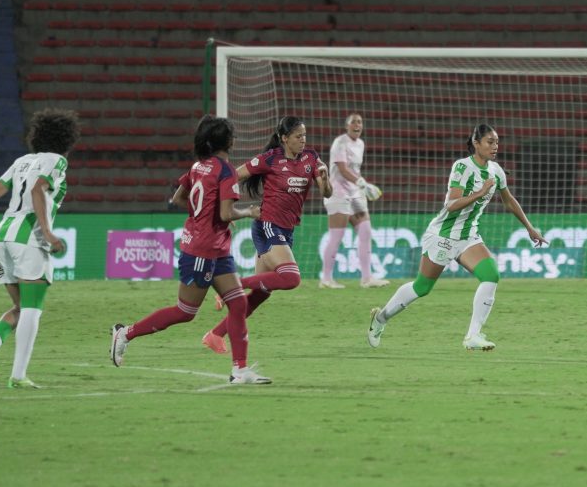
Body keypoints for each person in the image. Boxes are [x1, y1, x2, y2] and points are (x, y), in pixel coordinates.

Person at [109, 115, 269, 384]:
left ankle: (239, 370)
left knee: (239, 303)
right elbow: (227, 213)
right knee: (186, 312)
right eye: (232, 135)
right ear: (226, 140)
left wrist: (199, 217)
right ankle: (125, 333)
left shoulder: (198, 166)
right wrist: (251, 211)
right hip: (203, 250)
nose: (235, 139)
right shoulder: (226, 170)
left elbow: (178, 198)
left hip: (214, 248)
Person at [366, 123, 547, 352]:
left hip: (468, 236)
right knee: (422, 287)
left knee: (491, 275)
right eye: (490, 142)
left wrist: (529, 228)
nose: (495, 146)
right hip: (443, 235)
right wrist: (480, 193)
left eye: (497, 142)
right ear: (476, 143)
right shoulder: (462, 167)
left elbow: (509, 200)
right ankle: (380, 319)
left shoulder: (496, 171)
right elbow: (451, 205)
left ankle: (473, 335)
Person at [0, 108, 81, 388]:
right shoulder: (57, 161)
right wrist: (49, 233)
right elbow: (38, 190)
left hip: (1, 240)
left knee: (20, 306)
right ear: (67, 139)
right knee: (33, 308)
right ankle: (18, 376)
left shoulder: (22, 161)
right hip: (28, 241)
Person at [200, 115, 332, 355]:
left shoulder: (311, 158)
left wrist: (325, 179)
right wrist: (223, 210)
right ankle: (231, 286)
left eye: (304, 136)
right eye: (298, 136)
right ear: (284, 138)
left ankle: (215, 335)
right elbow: (232, 177)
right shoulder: (269, 159)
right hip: (267, 226)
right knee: (291, 278)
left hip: (286, 230)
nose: (303, 140)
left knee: (259, 295)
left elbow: (327, 193)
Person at [319, 112, 389, 289]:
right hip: (338, 193)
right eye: (353, 122)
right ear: (347, 126)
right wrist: (361, 182)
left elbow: (354, 170)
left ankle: (367, 278)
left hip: (355, 193)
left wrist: (362, 185)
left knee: (365, 231)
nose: (357, 125)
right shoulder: (340, 142)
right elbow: (342, 169)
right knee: (337, 236)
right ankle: (326, 279)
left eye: (360, 122)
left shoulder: (361, 144)